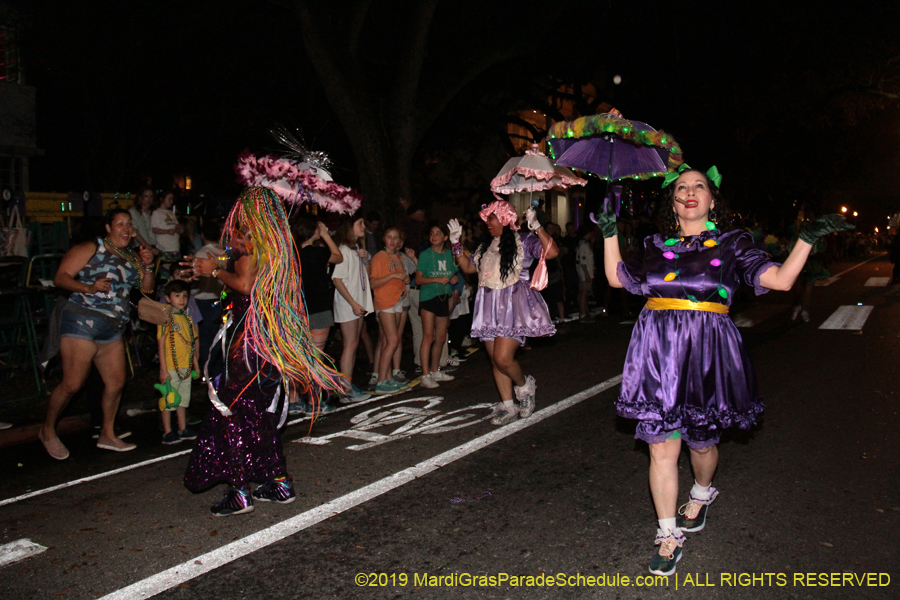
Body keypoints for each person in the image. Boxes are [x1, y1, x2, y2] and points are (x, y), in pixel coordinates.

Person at [598, 165, 853, 576]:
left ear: (713, 199)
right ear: (673, 200)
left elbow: (782, 281)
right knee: (662, 445)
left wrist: (805, 239)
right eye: (682, 187)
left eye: (700, 185)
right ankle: (667, 535)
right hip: (658, 349)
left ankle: (701, 492)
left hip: (707, 350)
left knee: (701, 444)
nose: (691, 191)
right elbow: (616, 277)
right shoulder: (654, 243)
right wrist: (609, 232)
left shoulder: (733, 243)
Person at [184, 187, 346, 516]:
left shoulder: (248, 241)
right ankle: (278, 481)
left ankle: (240, 489)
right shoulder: (280, 244)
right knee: (262, 410)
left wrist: (213, 271)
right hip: (268, 336)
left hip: (247, 337)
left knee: (234, 408)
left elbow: (244, 285)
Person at [39, 209, 156, 459]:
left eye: (129, 224)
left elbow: (146, 291)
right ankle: (47, 430)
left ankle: (107, 434)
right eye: (120, 224)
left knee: (116, 383)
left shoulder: (131, 257)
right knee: (72, 384)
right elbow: (61, 277)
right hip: (82, 321)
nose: (126, 229)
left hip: (113, 327)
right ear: (108, 228)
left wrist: (148, 266)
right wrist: (88, 287)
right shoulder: (92, 247)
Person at [448, 201, 556, 423]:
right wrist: (455, 243)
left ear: (506, 219)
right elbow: (468, 268)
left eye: (492, 217)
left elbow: (552, 252)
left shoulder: (523, 240)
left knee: (503, 357)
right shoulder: (484, 246)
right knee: (494, 360)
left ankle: (525, 387)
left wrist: (536, 226)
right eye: (487, 218)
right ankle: (508, 406)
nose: (487, 222)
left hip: (513, 307)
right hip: (488, 306)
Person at [287, 217, 343, 415]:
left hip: (297, 310)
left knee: (297, 355)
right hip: (318, 308)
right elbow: (338, 256)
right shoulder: (318, 252)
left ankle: (293, 400)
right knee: (315, 357)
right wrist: (327, 235)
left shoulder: (292, 255)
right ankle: (313, 401)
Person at [332, 213, 374, 402]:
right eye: (360, 223)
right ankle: (344, 389)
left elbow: (365, 276)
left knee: (354, 343)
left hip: (357, 303)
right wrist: (354, 304)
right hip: (349, 304)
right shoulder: (343, 250)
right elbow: (337, 279)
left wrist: (366, 260)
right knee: (350, 345)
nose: (363, 227)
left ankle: (347, 384)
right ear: (350, 227)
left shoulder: (356, 249)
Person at [369, 226, 411, 394]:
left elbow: (403, 278)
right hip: (385, 302)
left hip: (398, 300)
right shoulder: (379, 258)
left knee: (390, 340)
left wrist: (405, 278)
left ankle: (387, 378)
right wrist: (393, 276)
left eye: (396, 238)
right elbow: (373, 283)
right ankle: (380, 381)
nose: (392, 241)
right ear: (384, 239)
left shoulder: (398, 257)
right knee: (392, 340)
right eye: (389, 237)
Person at [157, 279, 200, 445]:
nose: (181, 299)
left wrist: (195, 364)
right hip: (171, 367)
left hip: (185, 367)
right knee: (169, 400)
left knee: (182, 400)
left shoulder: (188, 320)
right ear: (167, 298)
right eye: (177, 296)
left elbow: (191, 344)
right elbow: (161, 344)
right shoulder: (164, 319)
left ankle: (182, 428)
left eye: (184, 296)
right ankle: (168, 431)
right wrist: (163, 369)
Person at [416, 223, 458, 389]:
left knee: (441, 337)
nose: (434, 236)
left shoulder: (449, 255)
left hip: (443, 297)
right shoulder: (425, 255)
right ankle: (425, 375)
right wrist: (436, 279)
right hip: (428, 297)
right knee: (428, 336)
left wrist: (453, 279)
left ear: (445, 237)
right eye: (432, 233)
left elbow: (454, 274)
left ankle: (435, 371)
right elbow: (418, 279)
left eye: (438, 233)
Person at [192, 220, 226, 381]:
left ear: (203, 235)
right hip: (218, 300)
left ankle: (207, 373)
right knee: (217, 338)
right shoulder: (223, 253)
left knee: (205, 339)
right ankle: (217, 373)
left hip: (203, 301)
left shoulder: (201, 254)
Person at [151, 190, 182, 279]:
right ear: (162, 199)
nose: (171, 201)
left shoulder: (171, 213)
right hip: (165, 249)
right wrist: (167, 232)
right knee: (165, 276)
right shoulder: (156, 213)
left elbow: (176, 226)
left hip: (175, 248)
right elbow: (153, 228)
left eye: (172, 199)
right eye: (169, 199)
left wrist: (179, 228)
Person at [576, 224, 596, 322]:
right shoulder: (584, 245)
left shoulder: (583, 243)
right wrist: (587, 274)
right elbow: (583, 262)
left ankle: (585, 311)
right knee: (584, 292)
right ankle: (583, 313)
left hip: (585, 272)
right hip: (585, 272)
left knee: (584, 292)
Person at [129, 187, 159, 254]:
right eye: (146, 196)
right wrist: (147, 246)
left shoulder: (154, 212)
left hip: (154, 246)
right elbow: (134, 232)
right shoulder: (134, 212)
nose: (149, 199)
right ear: (140, 198)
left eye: (151, 196)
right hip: (140, 247)